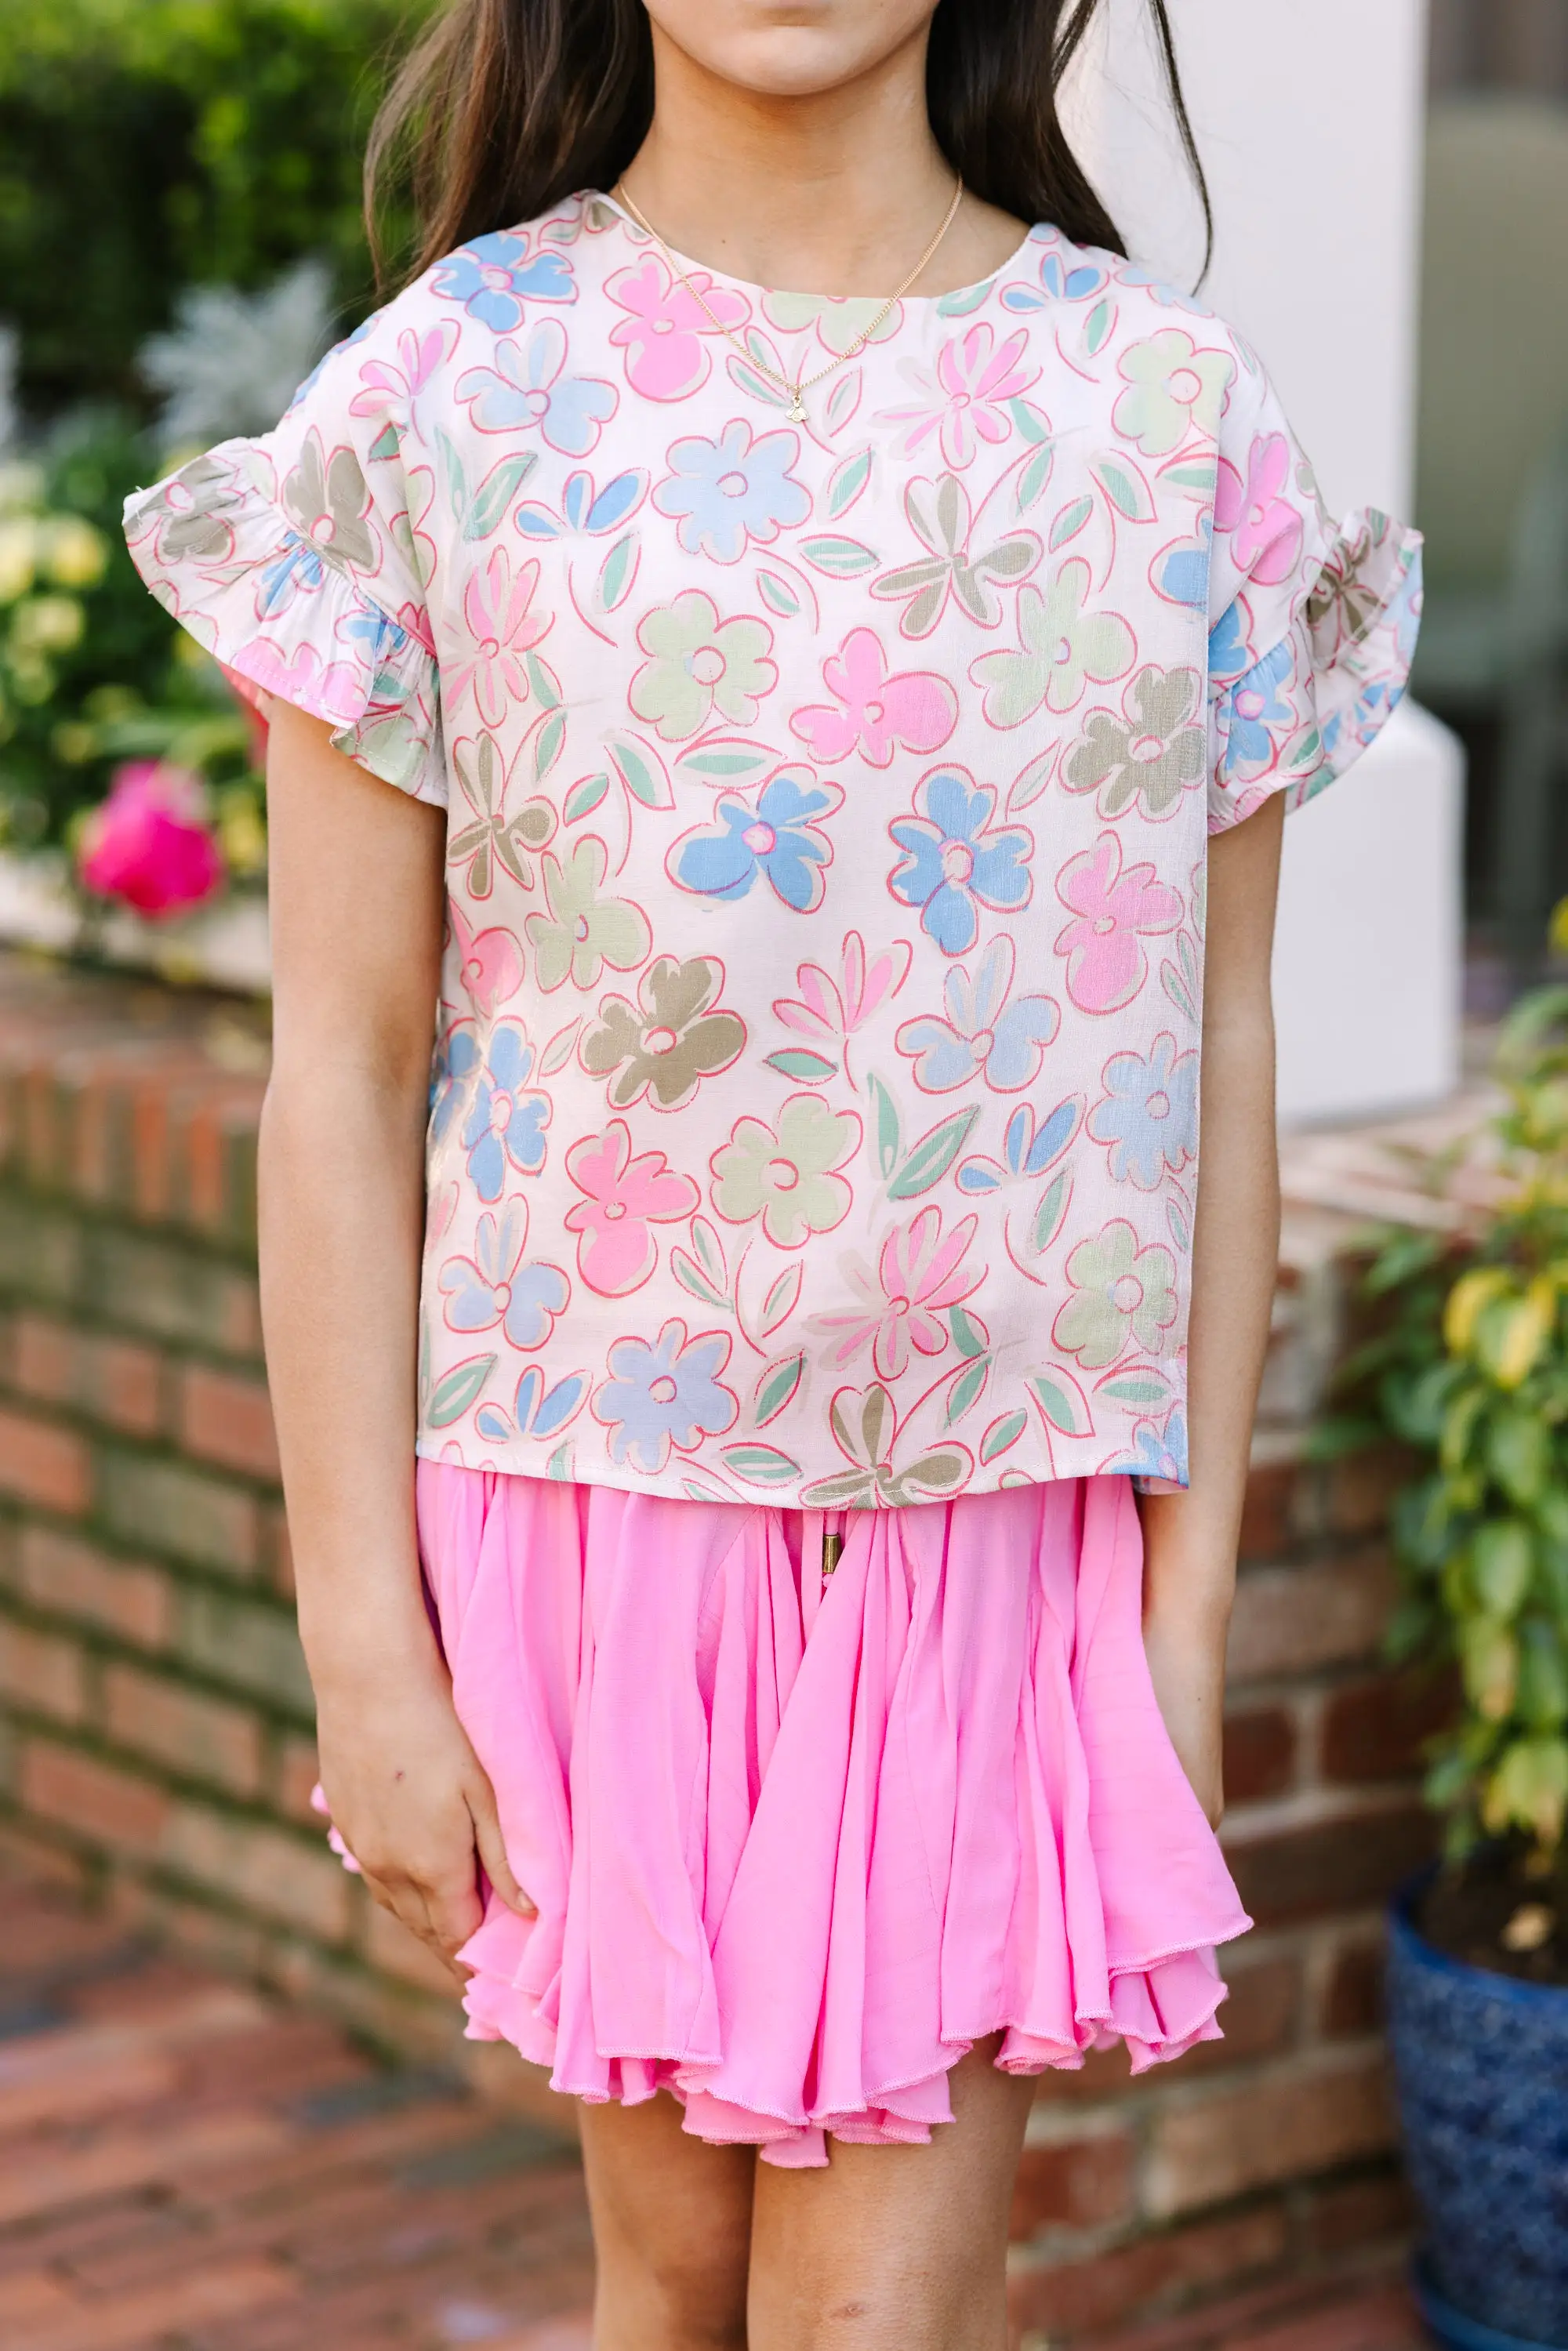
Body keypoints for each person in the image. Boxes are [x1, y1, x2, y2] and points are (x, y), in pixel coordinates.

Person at [125, 2, 1421, 2341]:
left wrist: (1191, 1597)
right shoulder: (451, 401)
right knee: (674, 2278)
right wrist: (360, 1648)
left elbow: (1210, 1044)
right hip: (598, 1513)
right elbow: (342, 1058)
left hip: (992, 1531)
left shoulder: (1162, 426)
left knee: (875, 2310)